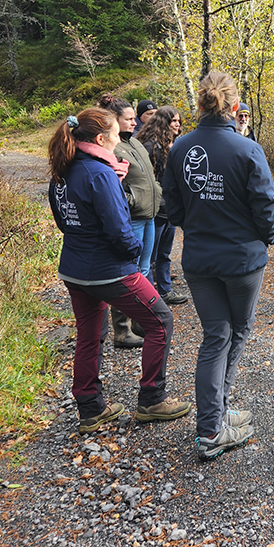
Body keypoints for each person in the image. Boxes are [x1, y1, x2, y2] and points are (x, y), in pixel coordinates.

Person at [47, 108, 190, 434]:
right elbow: (119, 230)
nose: (117, 140)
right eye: (114, 134)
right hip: (108, 270)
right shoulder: (99, 174)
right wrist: (133, 252)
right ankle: (152, 399)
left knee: (90, 334)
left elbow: (63, 221)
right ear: (100, 139)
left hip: (74, 269)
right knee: (160, 321)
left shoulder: (63, 170)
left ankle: (91, 408)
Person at [163, 72, 274, 460]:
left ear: (200, 105)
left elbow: (173, 207)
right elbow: (266, 206)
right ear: (234, 107)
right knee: (236, 330)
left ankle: (215, 418)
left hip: (199, 259)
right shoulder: (246, 149)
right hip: (242, 261)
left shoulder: (180, 147)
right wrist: (267, 237)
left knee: (216, 335)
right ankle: (213, 426)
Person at [99, 94, 163, 348]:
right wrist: (132, 201)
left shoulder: (134, 143)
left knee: (145, 271)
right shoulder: (112, 147)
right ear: (115, 120)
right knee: (128, 273)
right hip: (133, 218)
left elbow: (148, 175)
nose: (134, 122)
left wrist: (157, 195)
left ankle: (140, 322)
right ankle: (122, 330)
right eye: (128, 119)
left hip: (149, 216)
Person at [138, 106, 190, 306]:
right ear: (163, 123)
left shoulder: (175, 145)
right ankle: (149, 296)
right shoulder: (150, 146)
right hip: (157, 209)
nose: (178, 124)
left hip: (171, 208)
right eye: (173, 121)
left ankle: (165, 290)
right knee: (149, 256)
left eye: (179, 121)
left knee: (165, 253)